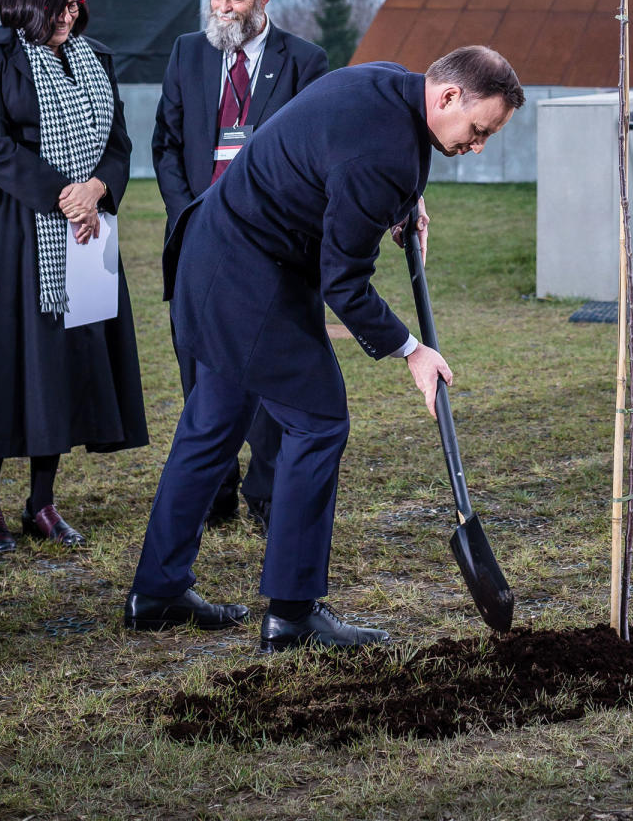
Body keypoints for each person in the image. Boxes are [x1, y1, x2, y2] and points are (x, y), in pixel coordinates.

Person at [125, 45, 524, 650]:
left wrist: (404, 202)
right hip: (249, 275)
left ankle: (155, 592)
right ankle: (292, 612)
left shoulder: (391, 80)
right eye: (478, 130)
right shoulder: (384, 154)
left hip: (217, 251)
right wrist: (412, 351)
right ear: (447, 96)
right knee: (317, 420)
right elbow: (343, 282)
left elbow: (349, 162)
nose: (478, 145)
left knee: (212, 424)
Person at [0, 0, 147, 556]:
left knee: (61, 363)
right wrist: (63, 194)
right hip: (7, 230)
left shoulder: (97, 61)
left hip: (81, 229)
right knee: (2, 359)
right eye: (59, 5)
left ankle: (42, 501)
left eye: (75, 5)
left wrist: (96, 189)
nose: (71, 14)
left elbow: (117, 145)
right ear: (28, 1)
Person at [152, 0, 327, 531]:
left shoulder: (305, 61)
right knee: (200, 375)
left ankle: (269, 495)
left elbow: (318, 155)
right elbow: (167, 146)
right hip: (200, 242)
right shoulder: (187, 53)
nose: (223, 9)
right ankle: (214, 493)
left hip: (270, 248)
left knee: (269, 369)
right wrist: (189, 216)